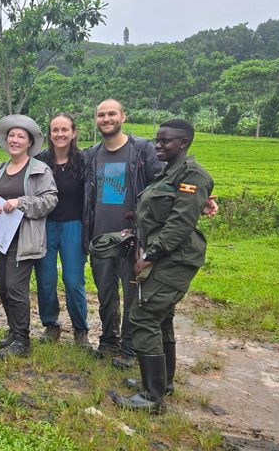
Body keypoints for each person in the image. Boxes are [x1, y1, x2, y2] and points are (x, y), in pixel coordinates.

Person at [113, 119, 214, 413]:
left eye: (165, 141)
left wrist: (149, 255)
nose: (158, 145)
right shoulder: (168, 173)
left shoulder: (192, 175)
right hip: (165, 256)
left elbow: (180, 224)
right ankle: (162, 383)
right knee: (161, 318)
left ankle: (151, 396)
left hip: (175, 259)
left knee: (143, 317)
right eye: (157, 140)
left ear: (183, 143)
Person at [82, 99, 163, 367]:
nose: (106, 118)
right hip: (100, 238)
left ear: (123, 117)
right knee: (105, 293)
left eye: (112, 114)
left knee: (131, 296)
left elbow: (164, 181)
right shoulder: (91, 154)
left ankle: (129, 350)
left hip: (132, 238)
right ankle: (108, 340)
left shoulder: (141, 149)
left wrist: (202, 196)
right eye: (101, 114)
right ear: (96, 119)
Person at [0, 115, 57, 359]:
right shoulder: (0, 169)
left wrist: (21, 202)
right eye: (11, 136)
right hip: (0, 238)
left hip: (24, 239)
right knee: (4, 289)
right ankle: (14, 331)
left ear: (29, 142)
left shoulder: (39, 169)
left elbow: (50, 200)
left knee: (16, 288)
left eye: (20, 137)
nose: (14, 140)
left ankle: (22, 340)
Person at [33, 114, 91, 347]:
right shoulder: (39, 161)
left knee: (73, 279)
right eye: (55, 130)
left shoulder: (84, 161)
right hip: (45, 225)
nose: (60, 134)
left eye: (64, 129)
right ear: (49, 134)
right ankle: (51, 325)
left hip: (73, 225)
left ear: (73, 133)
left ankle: (80, 329)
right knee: (45, 278)